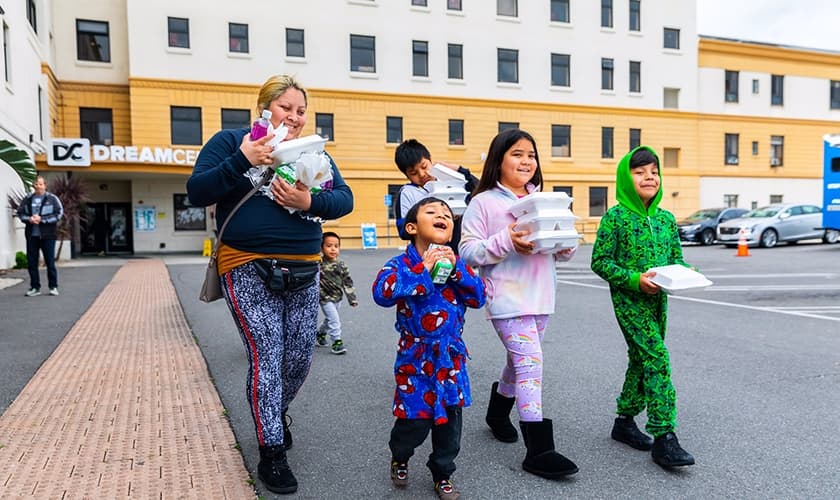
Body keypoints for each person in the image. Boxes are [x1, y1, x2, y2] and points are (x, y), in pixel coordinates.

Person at [186, 74, 354, 494]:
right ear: (264, 108)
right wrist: (244, 158)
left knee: (299, 359)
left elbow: (345, 199)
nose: (295, 118)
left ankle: (272, 415)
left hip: (305, 268)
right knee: (267, 355)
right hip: (246, 264)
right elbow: (196, 191)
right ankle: (271, 451)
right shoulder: (231, 142)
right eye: (286, 108)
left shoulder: (313, 151)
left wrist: (308, 201)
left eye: (301, 110)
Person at [459, 128, 579, 479]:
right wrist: (506, 240)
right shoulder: (483, 203)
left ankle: (497, 414)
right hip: (507, 300)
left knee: (519, 363)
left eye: (531, 155)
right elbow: (468, 252)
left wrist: (564, 244)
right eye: (517, 154)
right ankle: (539, 450)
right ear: (498, 160)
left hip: (542, 299)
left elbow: (559, 250)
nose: (526, 161)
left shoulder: (543, 199)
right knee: (531, 364)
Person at [372, 197, 486, 500]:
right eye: (432, 212)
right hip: (416, 359)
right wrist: (425, 268)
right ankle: (400, 455)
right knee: (413, 421)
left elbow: (479, 297)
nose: (442, 216)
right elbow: (382, 293)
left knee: (450, 424)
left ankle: (442, 472)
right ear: (412, 227)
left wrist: (457, 270)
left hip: (450, 359)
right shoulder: (401, 264)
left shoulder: (457, 264)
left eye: (448, 215)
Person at [590, 146, 695, 468]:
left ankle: (623, 421)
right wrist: (635, 280)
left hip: (659, 300)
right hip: (629, 301)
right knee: (657, 357)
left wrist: (685, 274)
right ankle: (665, 436)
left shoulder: (665, 219)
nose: (649, 177)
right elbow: (600, 262)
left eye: (654, 171)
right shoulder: (616, 217)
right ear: (626, 178)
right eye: (640, 172)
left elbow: (675, 258)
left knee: (641, 360)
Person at [393, 139, 478, 253]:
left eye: (424, 166)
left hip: (459, 250)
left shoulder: (451, 180)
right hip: (426, 255)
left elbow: (481, 191)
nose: (422, 174)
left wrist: (460, 170)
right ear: (406, 175)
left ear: (430, 160)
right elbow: (403, 231)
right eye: (413, 173)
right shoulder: (408, 193)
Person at [16, 176, 64, 297]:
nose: (38, 186)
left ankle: (53, 287)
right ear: (34, 186)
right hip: (32, 236)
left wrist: (43, 220)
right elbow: (20, 213)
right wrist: (29, 219)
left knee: (50, 262)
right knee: (32, 262)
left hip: (48, 236)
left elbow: (59, 214)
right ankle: (35, 287)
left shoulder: (52, 199)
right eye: (36, 184)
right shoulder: (27, 199)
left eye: (40, 184)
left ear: (45, 185)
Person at [316, 231, 358, 355]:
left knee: (329, 320)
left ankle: (320, 333)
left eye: (336, 246)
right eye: (329, 246)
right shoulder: (318, 263)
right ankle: (337, 342)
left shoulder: (341, 265)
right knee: (334, 320)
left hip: (337, 297)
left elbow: (347, 282)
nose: (333, 249)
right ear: (322, 247)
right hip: (324, 298)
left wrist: (352, 299)